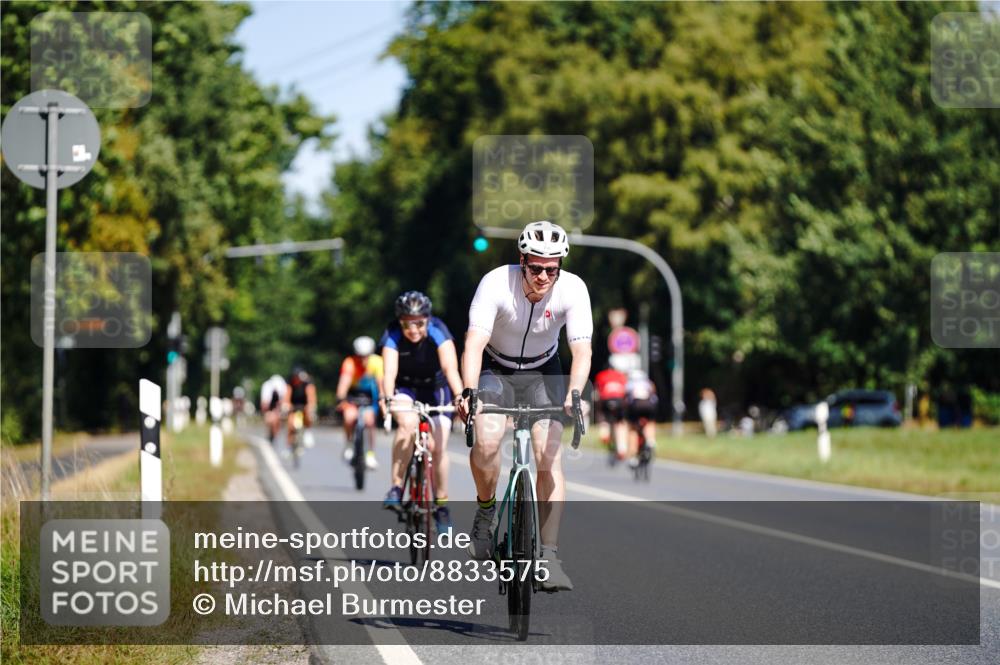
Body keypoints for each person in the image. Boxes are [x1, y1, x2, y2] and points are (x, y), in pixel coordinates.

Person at [456, 220, 592, 592]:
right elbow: (473, 344)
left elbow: (582, 351)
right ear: (522, 261)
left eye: (552, 269)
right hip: (497, 369)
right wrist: (469, 392)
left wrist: (574, 393)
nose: (544, 276)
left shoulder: (574, 289)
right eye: (535, 268)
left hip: (543, 372)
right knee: (485, 439)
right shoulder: (496, 283)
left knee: (548, 458)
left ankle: (549, 555)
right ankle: (486, 512)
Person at [380, 291, 464, 533]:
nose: (413, 329)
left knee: (438, 448)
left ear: (428, 320)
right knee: (407, 425)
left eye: (419, 323)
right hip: (406, 388)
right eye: (407, 323)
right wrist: (387, 397)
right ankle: (396, 487)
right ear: (400, 322)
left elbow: (450, 368)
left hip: (436, 389)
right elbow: (389, 373)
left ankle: (442, 504)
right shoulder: (392, 334)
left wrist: (460, 397)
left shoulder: (439, 330)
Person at [335, 335, 384, 469]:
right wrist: (340, 397)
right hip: (353, 396)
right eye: (360, 356)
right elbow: (344, 382)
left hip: (370, 396)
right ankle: (349, 444)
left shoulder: (377, 362)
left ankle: (370, 454)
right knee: (349, 417)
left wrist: (383, 397)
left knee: (370, 421)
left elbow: (381, 382)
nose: (363, 359)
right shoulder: (349, 362)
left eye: (366, 356)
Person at [594, 360, 628, 462]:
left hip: (606, 400)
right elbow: (625, 390)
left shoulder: (601, 375)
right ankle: (622, 448)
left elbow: (597, 392)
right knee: (620, 423)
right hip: (619, 400)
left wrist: (598, 406)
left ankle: (604, 433)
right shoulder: (621, 375)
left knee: (603, 416)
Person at [624, 368, 657, 465]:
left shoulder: (629, 384)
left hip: (635, 406)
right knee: (650, 423)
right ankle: (650, 441)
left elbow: (626, 400)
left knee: (633, 429)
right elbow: (654, 397)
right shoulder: (649, 383)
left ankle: (633, 456)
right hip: (649, 406)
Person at [284, 366, 317, 448]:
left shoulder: (308, 383)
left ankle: (307, 432)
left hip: (304, 406)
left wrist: (311, 406)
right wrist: (286, 405)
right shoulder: (290, 383)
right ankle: (289, 446)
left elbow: (311, 397)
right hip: (294, 406)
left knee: (309, 415)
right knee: (290, 424)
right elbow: (287, 396)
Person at [259, 373, 287, 443]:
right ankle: (270, 433)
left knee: (277, 420)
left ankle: (274, 435)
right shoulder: (267, 387)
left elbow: (283, 402)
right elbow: (264, 404)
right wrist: (267, 413)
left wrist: (278, 412)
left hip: (278, 407)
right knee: (269, 419)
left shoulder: (282, 389)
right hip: (269, 407)